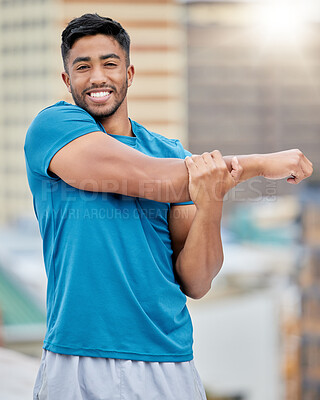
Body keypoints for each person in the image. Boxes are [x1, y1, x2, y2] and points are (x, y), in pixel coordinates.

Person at [24, 13, 313, 400]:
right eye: (83, 66)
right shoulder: (53, 127)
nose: (97, 77)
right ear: (67, 80)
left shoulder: (171, 154)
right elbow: (149, 177)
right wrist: (260, 164)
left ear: (129, 73)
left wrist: (210, 202)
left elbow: (197, 280)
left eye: (109, 64)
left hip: (168, 361)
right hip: (77, 356)